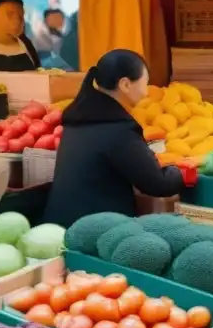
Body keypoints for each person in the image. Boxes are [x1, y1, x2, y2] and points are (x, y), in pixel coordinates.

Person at [43, 50, 188, 227]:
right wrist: (183, 171)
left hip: (60, 226)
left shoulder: (78, 119)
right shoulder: (119, 129)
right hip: (95, 234)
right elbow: (158, 183)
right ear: (125, 84)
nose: (146, 92)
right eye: (145, 83)